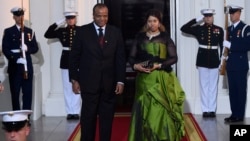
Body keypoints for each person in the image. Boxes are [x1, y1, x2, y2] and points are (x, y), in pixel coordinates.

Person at [68, 3, 126, 141]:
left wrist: (120, 80)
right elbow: (73, 57)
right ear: (93, 16)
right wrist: (74, 79)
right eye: (99, 16)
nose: (102, 19)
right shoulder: (82, 32)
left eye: (105, 16)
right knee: (88, 120)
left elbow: (120, 58)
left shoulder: (115, 32)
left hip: (109, 84)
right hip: (88, 84)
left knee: (107, 120)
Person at [127, 9, 185, 141]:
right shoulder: (140, 37)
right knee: (143, 108)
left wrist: (158, 65)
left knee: (160, 109)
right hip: (143, 79)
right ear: (146, 23)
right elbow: (131, 57)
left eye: (154, 21)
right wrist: (136, 66)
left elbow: (174, 58)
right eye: (149, 21)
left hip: (160, 79)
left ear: (159, 23)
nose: (152, 24)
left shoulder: (165, 38)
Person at [180, 9, 224, 118]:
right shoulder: (199, 29)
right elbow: (184, 28)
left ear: (213, 17)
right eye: (206, 16)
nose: (209, 18)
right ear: (204, 17)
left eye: (210, 16)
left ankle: (212, 110)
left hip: (214, 59)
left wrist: (222, 60)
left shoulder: (219, 29)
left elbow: (222, 46)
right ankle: (205, 110)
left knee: (213, 86)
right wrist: (197, 20)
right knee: (204, 85)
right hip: (202, 59)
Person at [44, 11, 81, 120]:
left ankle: (76, 111)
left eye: (72, 18)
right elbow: (47, 34)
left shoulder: (80, 30)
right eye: (68, 18)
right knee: (67, 86)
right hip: (65, 60)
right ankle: (70, 111)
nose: (70, 20)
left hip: (78, 59)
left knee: (77, 85)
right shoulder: (61, 30)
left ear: (75, 19)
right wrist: (58, 23)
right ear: (66, 19)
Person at [2, 7, 39, 110]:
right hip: (15, 66)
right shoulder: (9, 31)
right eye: (18, 15)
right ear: (14, 17)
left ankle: (26, 117)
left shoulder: (29, 31)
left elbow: (35, 48)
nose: (20, 17)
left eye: (22, 15)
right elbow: (5, 49)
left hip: (27, 65)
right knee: (15, 92)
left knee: (27, 93)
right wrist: (15, 58)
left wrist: (27, 49)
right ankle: (17, 116)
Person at [223, 5, 250, 123]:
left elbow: (247, 45)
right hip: (231, 64)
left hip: (240, 65)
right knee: (232, 91)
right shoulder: (229, 29)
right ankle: (234, 114)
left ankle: (240, 115)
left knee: (240, 90)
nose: (231, 15)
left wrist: (231, 46)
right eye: (230, 13)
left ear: (239, 13)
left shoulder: (245, 28)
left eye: (233, 13)